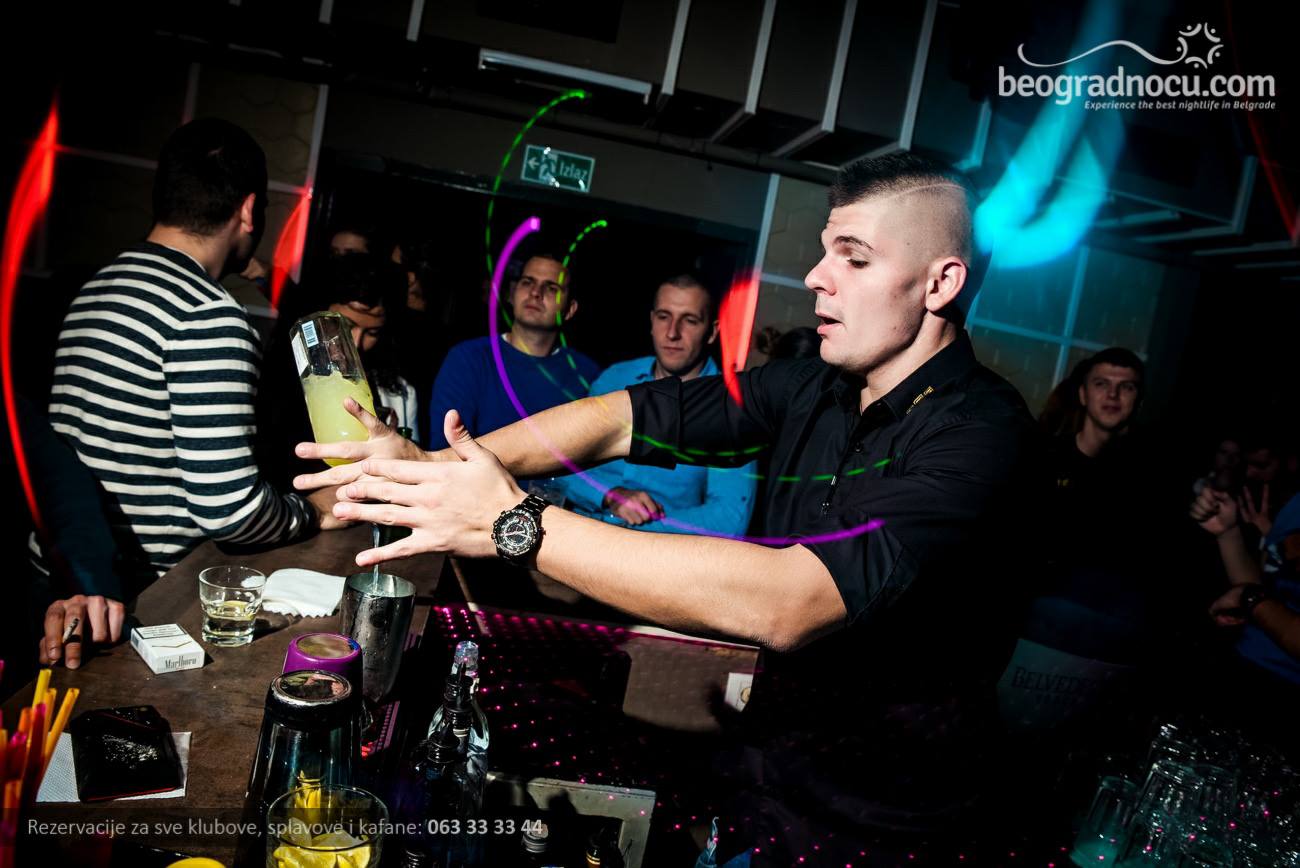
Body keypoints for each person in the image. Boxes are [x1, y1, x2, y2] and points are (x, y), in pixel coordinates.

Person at [297, 152, 1038, 863]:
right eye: (824, 252)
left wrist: (512, 522)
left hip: (882, 828)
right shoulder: (813, 385)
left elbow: (793, 600)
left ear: (940, 282)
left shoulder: (981, 434)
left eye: (855, 258)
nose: (817, 276)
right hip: (763, 779)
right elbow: (621, 417)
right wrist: (436, 468)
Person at [35, 118, 344, 668]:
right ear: (248, 210)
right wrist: (314, 512)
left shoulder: (97, 287)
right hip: (137, 602)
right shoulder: (207, 314)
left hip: (61, 582)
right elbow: (230, 510)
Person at [563, 275, 757, 537]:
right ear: (652, 321)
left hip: (653, 551)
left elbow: (729, 517)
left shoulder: (731, 407)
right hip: (574, 532)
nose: (672, 332)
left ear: (712, 332)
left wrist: (631, 530)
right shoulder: (614, 379)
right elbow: (561, 462)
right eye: (664, 317)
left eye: (690, 320)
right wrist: (609, 495)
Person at [257, 254, 419, 488]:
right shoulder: (283, 381)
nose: (356, 343)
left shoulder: (399, 392)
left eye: (372, 333)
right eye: (345, 326)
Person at [424, 248, 600, 450]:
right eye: (527, 282)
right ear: (512, 294)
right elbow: (447, 451)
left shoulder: (587, 375)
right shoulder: (469, 359)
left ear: (570, 309)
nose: (535, 293)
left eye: (551, 288)